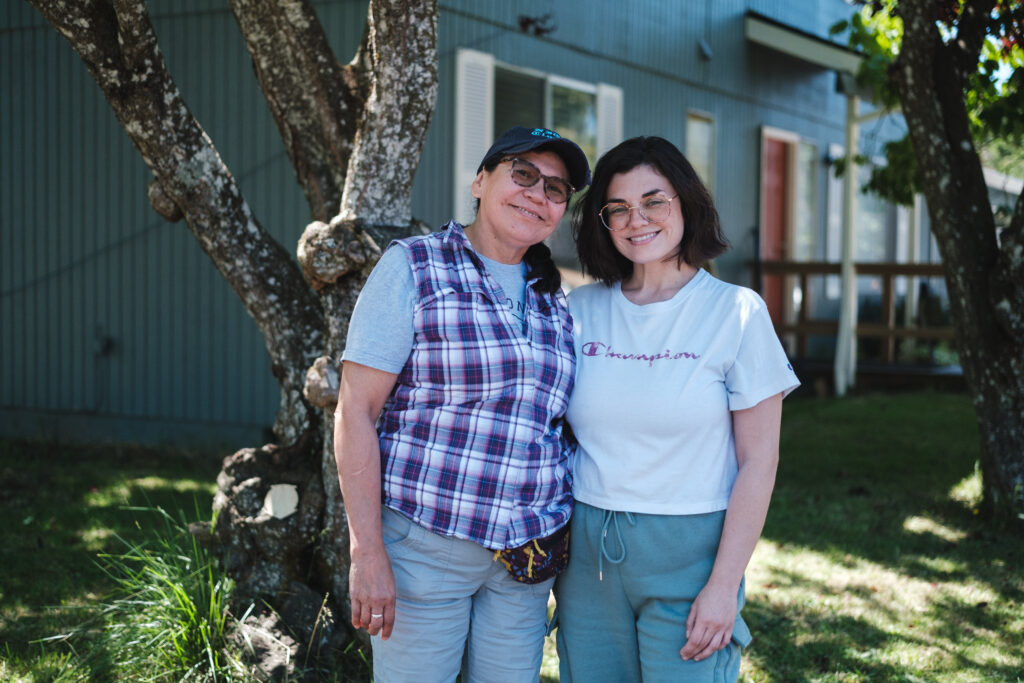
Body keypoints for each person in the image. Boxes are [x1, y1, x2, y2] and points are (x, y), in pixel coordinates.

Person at [334, 126, 590, 682]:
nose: (536, 194)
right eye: (522, 175)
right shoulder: (413, 268)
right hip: (426, 547)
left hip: (524, 560)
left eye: (555, 189)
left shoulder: (554, 296)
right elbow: (354, 411)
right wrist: (367, 550)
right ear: (480, 180)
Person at [554, 136, 800, 682]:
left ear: (686, 204)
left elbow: (759, 463)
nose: (635, 219)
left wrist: (723, 585)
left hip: (692, 553)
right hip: (587, 552)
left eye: (654, 201)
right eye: (617, 208)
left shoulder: (736, 312)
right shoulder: (579, 310)